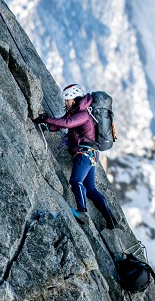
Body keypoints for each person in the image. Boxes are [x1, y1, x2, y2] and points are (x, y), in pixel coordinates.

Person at [38, 83, 117, 229]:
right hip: (91, 154)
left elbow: (67, 124)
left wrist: (46, 118)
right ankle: (111, 220)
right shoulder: (76, 112)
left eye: (67, 100)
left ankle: (82, 212)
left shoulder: (83, 114)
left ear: (74, 99)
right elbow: (62, 123)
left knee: (76, 181)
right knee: (91, 188)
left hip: (84, 154)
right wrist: (47, 126)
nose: (65, 103)